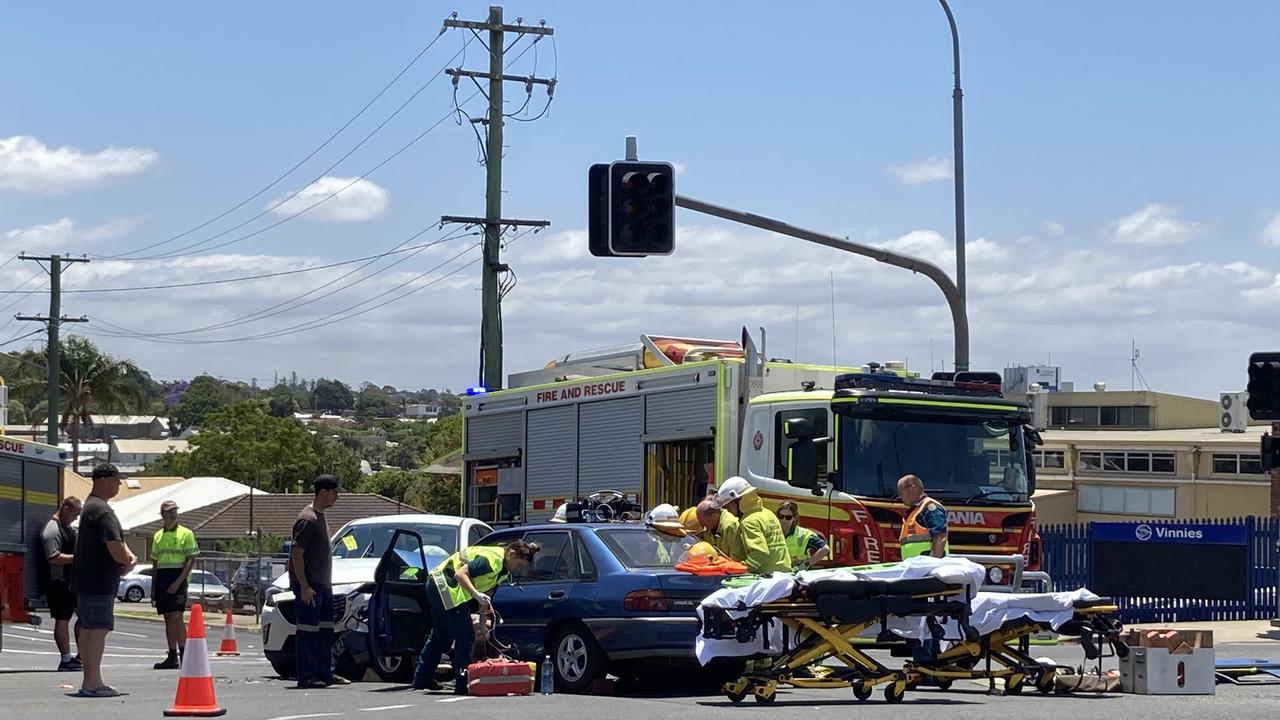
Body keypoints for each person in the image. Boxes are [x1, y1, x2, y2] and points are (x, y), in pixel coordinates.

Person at [411, 541, 539, 693]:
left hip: (439, 586)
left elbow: (486, 597)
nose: (518, 569)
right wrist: (475, 594)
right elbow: (460, 574)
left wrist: (484, 623)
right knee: (465, 636)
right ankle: (462, 682)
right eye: (518, 565)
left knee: (440, 635)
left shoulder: (503, 571)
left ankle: (422, 679)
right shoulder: (492, 560)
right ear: (511, 554)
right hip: (444, 587)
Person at [72, 464, 136, 698]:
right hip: (99, 581)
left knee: (89, 629)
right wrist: (128, 561)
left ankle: (89, 680)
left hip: (86, 580)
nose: (120, 484)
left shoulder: (91, 507)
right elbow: (114, 545)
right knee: (97, 629)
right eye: (117, 480)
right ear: (105, 480)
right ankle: (93, 682)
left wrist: (127, 554)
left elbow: (117, 538)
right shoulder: (102, 511)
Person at [290, 474, 350, 688]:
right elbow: (297, 553)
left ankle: (325, 672)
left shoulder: (321, 516)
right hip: (310, 586)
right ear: (323, 492)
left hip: (323, 585)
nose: (337, 497)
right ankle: (307, 676)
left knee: (326, 630)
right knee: (308, 630)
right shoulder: (308, 519)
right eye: (334, 492)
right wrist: (304, 586)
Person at [151, 500, 199, 669]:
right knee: (168, 618)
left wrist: (178, 582)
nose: (173, 514)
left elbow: (191, 559)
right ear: (163, 514)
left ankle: (184, 653)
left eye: (174, 510)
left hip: (178, 576)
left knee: (177, 616)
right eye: (169, 511)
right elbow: (155, 564)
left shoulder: (186, 533)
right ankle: (172, 656)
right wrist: (154, 589)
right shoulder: (158, 536)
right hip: (163, 578)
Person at [712, 476, 790, 575]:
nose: (728, 511)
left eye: (728, 506)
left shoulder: (749, 521)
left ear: (740, 500)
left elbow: (760, 552)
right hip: (784, 573)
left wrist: (743, 568)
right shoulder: (768, 514)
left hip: (767, 577)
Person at [40, 496, 82, 671]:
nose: (76, 518)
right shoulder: (52, 529)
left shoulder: (67, 528)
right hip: (58, 582)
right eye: (75, 513)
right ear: (65, 508)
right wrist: (78, 558)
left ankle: (82, 656)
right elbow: (53, 557)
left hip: (72, 582)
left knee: (86, 616)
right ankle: (65, 659)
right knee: (63, 619)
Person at [897, 474, 949, 559]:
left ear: (912, 488)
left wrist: (931, 563)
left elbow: (940, 536)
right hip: (917, 568)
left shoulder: (929, 507)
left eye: (901, 492)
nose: (900, 496)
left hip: (926, 569)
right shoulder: (915, 511)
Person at [776, 501, 828, 569]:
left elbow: (825, 549)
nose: (784, 520)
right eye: (781, 516)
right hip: (775, 574)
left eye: (788, 517)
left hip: (796, 575)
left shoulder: (803, 534)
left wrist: (807, 563)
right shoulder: (772, 532)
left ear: (794, 518)